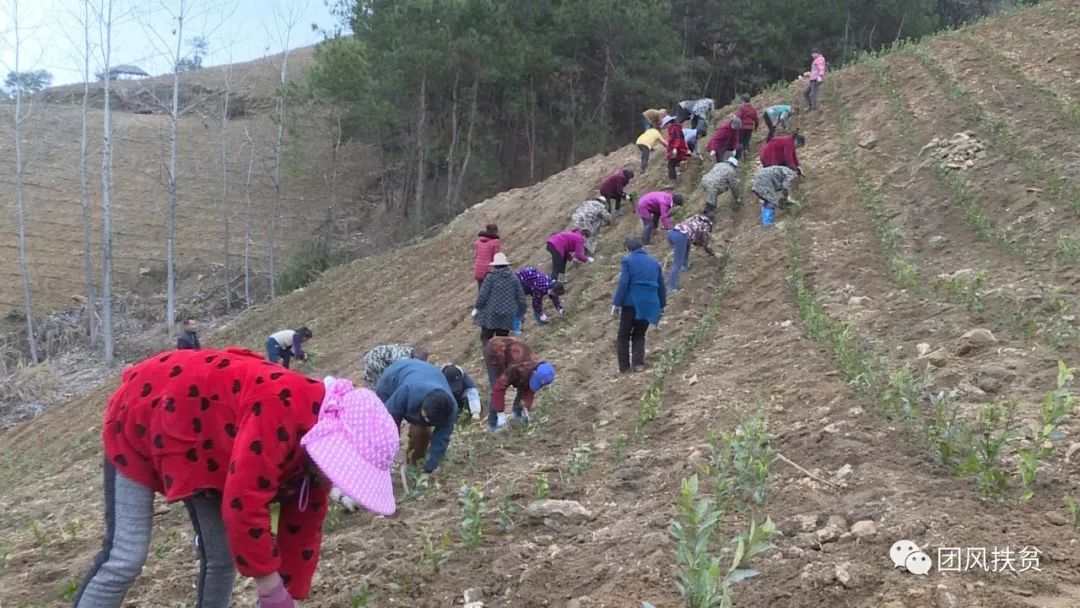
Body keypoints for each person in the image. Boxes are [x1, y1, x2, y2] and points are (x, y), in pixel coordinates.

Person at [74, 348, 398, 608]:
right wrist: (270, 588)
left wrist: (288, 591)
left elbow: (304, 525)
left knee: (221, 557)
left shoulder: (316, 452)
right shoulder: (279, 408)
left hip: (213, 448)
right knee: (125, 556)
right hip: (147, 408)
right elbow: (243, 507)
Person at [375, 358, 457, 473]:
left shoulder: (450, 408)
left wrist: (430, 466)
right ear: (423, 403)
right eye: (424, 416)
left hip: (427, 375)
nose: (425, 420)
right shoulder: (408, 391)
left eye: (428, 420)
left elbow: (442, 438)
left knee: (421, 434)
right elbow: (389, 419)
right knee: (379, 433)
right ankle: (379, 468)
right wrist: (394, 448)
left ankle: (413, 466)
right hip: (393, 379)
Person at [611, 236, 666, 373]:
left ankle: (624, 367)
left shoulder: (628, 261)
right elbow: (661, 285)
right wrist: (662, 305)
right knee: (639, 334)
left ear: (627, 249)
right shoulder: (654, 263)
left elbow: (623, 283)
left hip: (632, 303)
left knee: (623, 335)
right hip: (649, 303)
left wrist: (616, 304)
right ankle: (638, 364)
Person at [483, 336, 555, 430]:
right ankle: (494, 424)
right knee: (496, 385)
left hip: (513, 354)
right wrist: (501, 413)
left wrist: (526, 410)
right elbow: (499, 389)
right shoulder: (517, 369)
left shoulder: (538, 371)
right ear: (533, 372)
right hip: (495, 351)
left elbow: (529, 390)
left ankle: (517, 416)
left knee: (524, 385)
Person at [473, 252, 527, 351]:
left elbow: (483, 295)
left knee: (486, 338)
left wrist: (477, 308)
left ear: (495, 265)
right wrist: (522, 313)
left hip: (490, 314)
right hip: (507, 315)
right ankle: (501, 359)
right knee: (502, 341)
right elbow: (521, 298)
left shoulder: (490, 278)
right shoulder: (514, 278)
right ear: (506, 265)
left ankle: (488, 356)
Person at [668, 212, 718, 293]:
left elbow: (694, 236)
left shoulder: (695, 218)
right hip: (681, 237)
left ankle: (685, 266)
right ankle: (671, 287)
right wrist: (711, 253)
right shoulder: (706, 225)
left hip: (672, 233)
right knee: (677, 264)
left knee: (688, 244)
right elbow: (704, 242)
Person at [362, 344, 430, 388]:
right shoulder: (404, 360)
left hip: (374, 354)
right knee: (383, 381)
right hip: (376, 359)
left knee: (373, 379)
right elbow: (396, 373)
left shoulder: (408, 350)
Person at [663, 116, 690, 187]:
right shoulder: (674, 128)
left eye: (666, 125)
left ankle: (672, 182)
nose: (666, 127)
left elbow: (677, 139)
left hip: (678, 150)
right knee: (674, 163)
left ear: (669, 123)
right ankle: (682, 167)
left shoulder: (675, 129)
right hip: (678, 149)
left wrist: (675, 148)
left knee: (670, 164)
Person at [473, 223, 501, 290]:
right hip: (489, 272)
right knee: (491, 293)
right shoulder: (495, 242)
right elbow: (496, 259)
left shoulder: (478, 241)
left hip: (478, 271)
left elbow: (476, 255)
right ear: (495, 231)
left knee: (481, 293)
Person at [735, 95, 759, 159]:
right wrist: (756, 127)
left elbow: (738, 118)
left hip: (742, 127)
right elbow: (756, 119)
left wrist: (735, 127)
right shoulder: (753, 109)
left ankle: (738, 157)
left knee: (740, 142)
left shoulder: (742, 108)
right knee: (746, 142)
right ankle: (746, 153)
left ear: (743, 101)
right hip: (750, 128)